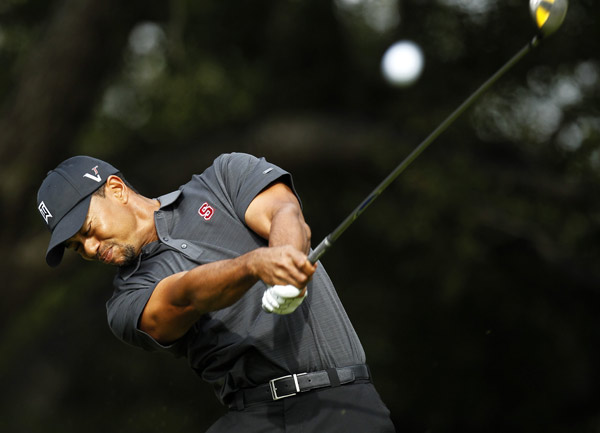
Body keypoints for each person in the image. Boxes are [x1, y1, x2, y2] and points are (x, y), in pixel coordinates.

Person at [37, 153, 396, 432]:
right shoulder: (124, 302)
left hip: (343, 405)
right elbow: (185, 295)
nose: (90, 247)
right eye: (76, 246)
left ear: (115, 189)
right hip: (257, 417)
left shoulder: (224, 178)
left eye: (88, 229)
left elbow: (283, 213)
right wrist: (253, 265)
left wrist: (287, 261)